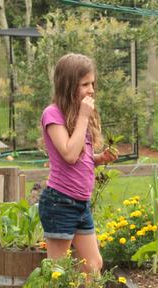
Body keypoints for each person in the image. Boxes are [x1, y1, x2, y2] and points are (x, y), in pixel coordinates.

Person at [38, 53, 116, 275]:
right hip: (60, 203)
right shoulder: (52, 114)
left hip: (80, 204)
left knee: (93, 265)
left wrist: (99, 159)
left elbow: (80, 157)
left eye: (92, 83)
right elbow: (69, 154)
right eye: (84, 84)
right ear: (68, 86)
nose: (91, 89)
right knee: (58, 270)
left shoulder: (78, 115)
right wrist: (83, 117)